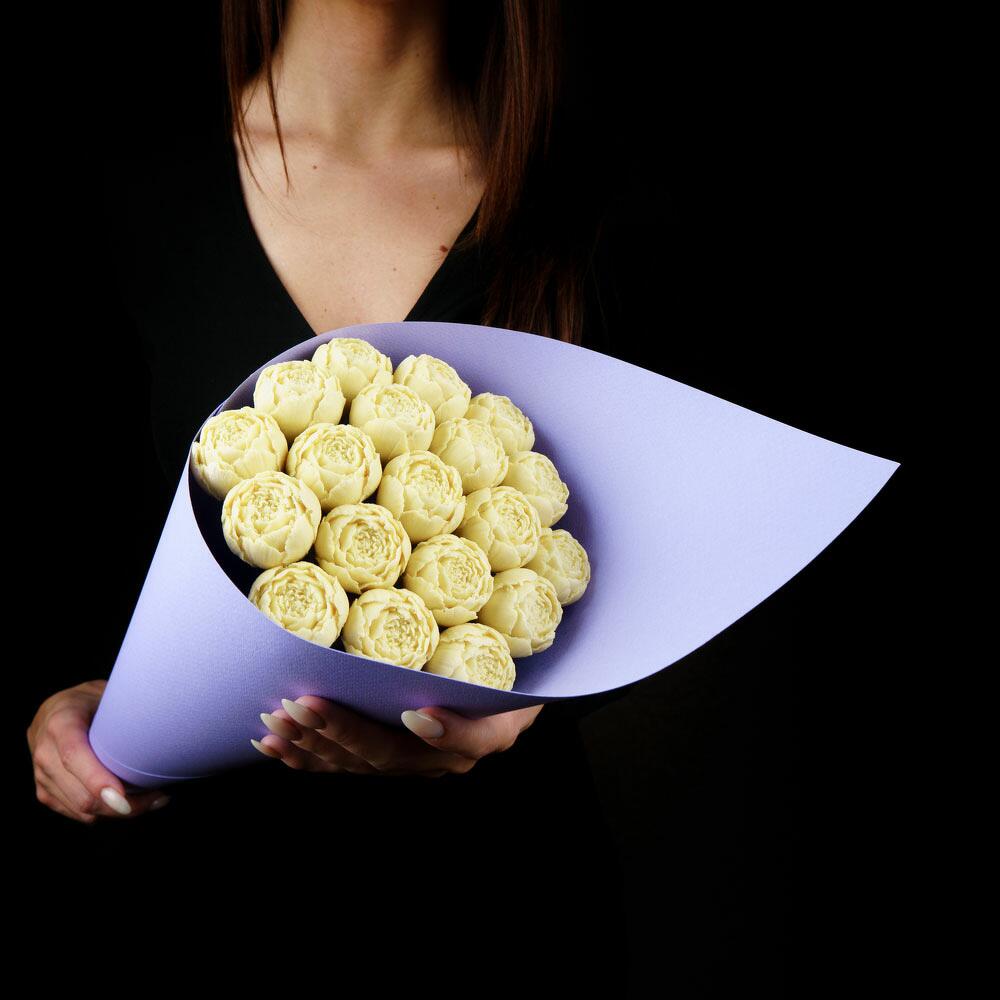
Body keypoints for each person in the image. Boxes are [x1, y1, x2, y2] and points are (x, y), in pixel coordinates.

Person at [25, 0, 634, 973]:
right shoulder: (124, 179)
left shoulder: (591, 199)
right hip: (186, 886)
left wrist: (532, 703)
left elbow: (643, 548)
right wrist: (58, 701)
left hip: (495, 897)